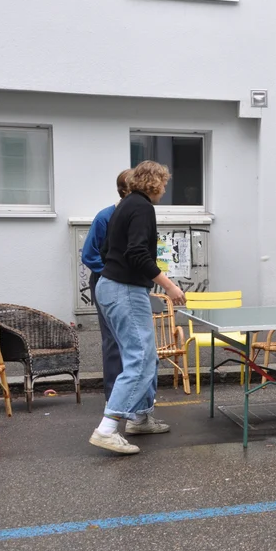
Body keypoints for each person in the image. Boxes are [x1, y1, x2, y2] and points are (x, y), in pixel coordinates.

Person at [89, 161, 187, 455]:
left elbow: (107, 252)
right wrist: (169, 286)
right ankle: (107, 429)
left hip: (112, 286)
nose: (165, 189)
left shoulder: (124, 206)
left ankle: (140, 417)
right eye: (164, 183)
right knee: (140, 358)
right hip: (125, 290)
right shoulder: (143, 208)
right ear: (154, 183)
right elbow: (137, 254)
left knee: (145, 357)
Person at [81, 169, 132, 402]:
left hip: (131, 284)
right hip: (106, 282)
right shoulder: (105, 217)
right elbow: (89, 255)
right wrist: (114, 274)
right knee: (112, 338)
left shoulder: (137, 215)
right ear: (126, 190)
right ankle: (113, 395)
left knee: (133, 338)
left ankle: (133, 392)